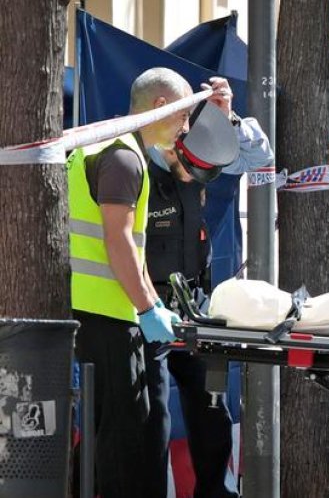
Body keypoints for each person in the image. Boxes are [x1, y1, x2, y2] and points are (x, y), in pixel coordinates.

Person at [143, 78, 273, 498]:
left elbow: (259, 160)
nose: (183, 130)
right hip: (145, 307)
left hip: (193, 307)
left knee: (211, 411)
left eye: (187, 120)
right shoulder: (134, 161)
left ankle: (215, 492)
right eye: (179, 119)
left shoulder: (200, 149)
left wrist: (226, 115)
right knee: (150, 414)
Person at [68, 67, 191, 498]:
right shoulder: (123, 157)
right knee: (123, 432)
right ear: (161, 107)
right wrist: (144, 309)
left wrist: (155, 305)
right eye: (182, 117)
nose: (185, 129)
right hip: (105, 315)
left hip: (104, 312)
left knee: (116, 430)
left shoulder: (111, 146)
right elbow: (117, 240)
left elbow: (132, 249)